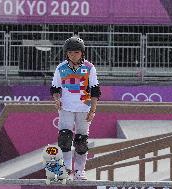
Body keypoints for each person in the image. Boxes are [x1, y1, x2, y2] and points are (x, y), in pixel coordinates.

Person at [50, 36, 101, 180]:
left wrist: (93, 110)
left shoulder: (89, 68)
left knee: (81, 140)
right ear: (66, 53)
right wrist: (57, 99)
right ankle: (66, 168)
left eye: (76, 52)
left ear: (82, 53)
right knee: (65, 137)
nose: (73, 55)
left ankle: (79, 171)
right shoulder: (61, 68)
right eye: (70, 53)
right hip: (66, 107)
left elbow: (95, 90)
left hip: (84, 108)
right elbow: (54, 87)